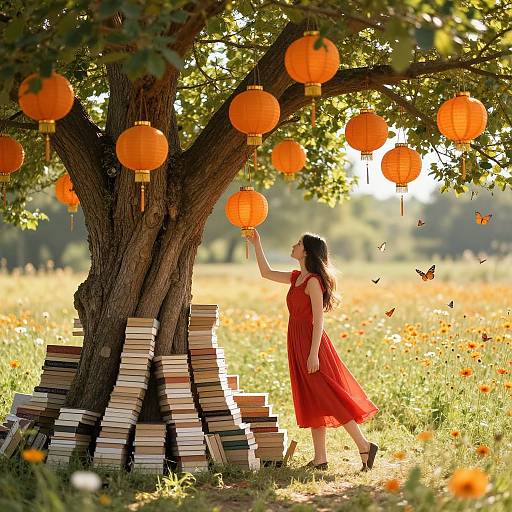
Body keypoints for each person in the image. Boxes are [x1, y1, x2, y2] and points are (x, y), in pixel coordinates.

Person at [249, 229, 379, 471]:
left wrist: (312, 354)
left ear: (306, 251)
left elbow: (319, 320)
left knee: (330, 397)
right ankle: (320, 459)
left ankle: (364, 445)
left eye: (297, 243)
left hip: (313, 345)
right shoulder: (296, 277)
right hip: (297, 342)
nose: (293, 245)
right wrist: (257, 242)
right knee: (314, 399)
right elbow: (266, 273)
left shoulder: (313, 282)